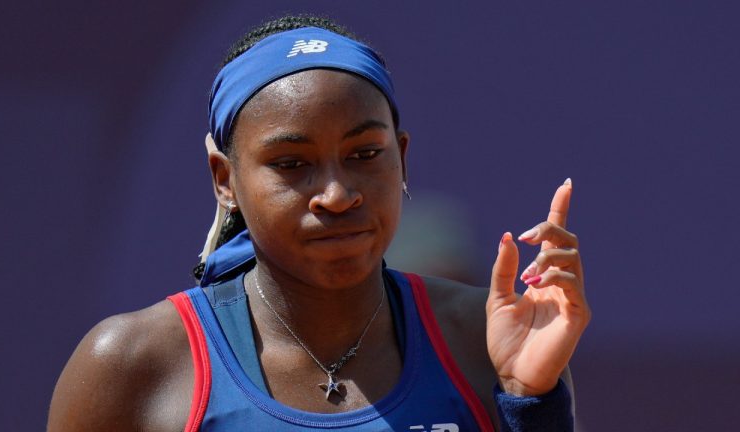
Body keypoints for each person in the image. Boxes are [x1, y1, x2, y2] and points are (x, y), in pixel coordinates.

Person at [48, 15, 590, 432]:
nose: (337, 194)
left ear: (402, 158)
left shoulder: (485, 339)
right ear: (224, 179)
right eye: (291, 164)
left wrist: (532, 404)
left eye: (365, 154)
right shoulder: (131, 366)